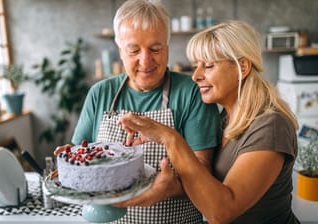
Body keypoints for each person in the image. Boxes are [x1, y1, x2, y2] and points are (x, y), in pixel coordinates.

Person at [54, 0, 221, 223]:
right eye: (134, 50)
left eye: (155, 49)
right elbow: (82, 160)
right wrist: (72, 158)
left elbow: (204, 174)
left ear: (168, 48)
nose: (146, 60)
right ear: (120, 51)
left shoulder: (191, 93)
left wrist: (174, 187)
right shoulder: (100, 93)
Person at [118, 20, 300, 223]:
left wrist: (169, 138)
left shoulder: (270, 126)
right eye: (196, 66)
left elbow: (221, 211)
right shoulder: (225, 119)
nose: (195, 76)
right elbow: (205, 186)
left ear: (242, 66)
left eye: (209, 66)